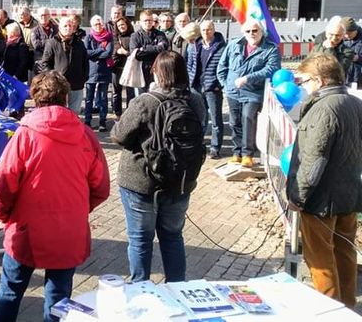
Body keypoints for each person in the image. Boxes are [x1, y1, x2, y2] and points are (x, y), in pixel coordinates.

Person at [0, 70, 110, 322]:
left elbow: (3, 182)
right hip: (68, 230)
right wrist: (78, 209)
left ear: (35, 98)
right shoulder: (85, 135)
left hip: (26, 229)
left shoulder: (24, 135)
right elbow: (100, 187)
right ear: (66, 98)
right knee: (58, 300)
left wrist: (4, 214)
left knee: (9, 293)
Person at [111, 51, 206, 283]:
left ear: (157, 72)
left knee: (140, 240)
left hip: (141, 182)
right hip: (180, 180)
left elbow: (120, 136)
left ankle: (140, 289)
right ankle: (177, 288)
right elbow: (201, 129)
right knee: (173, 237)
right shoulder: (195, 99)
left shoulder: (146, 101)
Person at [286, 53, 362, 310]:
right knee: (344, 253)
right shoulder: (354, 103)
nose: (303, 86)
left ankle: (331, 311)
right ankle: (348, 307)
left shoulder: (323, 109)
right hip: (348, 194)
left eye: (305, 81)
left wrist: (298, 197)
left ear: (319, 81)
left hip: (321, 201)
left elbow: (314, 160)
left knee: (320, 260)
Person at [217, 19, 281, 167]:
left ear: (261, 32)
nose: (252, 34)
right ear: (243, 32)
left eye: (255, 30)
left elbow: (271, 69)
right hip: (233, 91)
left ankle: (247, 154)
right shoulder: (234, 44)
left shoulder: (270, 49)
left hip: (253, 92)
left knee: (248, 119)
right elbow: (222, 65)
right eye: (248, 31)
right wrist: (225, 84)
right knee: (235, 122)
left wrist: (248, 78)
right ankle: (237, 152)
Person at [188, 20, 227, 159]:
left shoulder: (221, 47)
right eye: (204, 30)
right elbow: (190, 65)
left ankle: (215, 148)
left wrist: (218, 84)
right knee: (200, 118)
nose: (206, 32)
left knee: (216, 119)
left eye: (209, 29)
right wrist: (190, 81)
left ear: (214, 30)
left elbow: (224, 67)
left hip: (212, 88)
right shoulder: (194, 45)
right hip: (197, 87)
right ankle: (198, 143)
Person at [38, 17, 88, 113]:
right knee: (59, 112)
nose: (68, 28)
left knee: (75, 113)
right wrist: (52, 79)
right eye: (65, 26)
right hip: (58, 85)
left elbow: (85, 62)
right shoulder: (52, 43)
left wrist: (84, 78)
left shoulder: (79, 43)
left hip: (76, 84)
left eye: (70, 26)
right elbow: (45, 63)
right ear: (60, 28)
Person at [83, 15, 114, 131]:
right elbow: (86, 53)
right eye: (96, 24)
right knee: (89, 98)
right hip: (91, 72)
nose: (98, 26)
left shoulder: (109, 37)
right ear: (92, 25)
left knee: (103, 98)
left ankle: (102, 121)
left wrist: (95, 53)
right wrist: (101, 50)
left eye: (100, 23)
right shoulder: (88, 37)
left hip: (104, 71)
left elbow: (108, 53)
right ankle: (87, 120)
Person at [130, 10, 170, 93]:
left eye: (150, 20)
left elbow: (163, 48)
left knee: (157, 93)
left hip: (157, 68)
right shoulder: (135, 36)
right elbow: (136, 54)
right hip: (141, 70)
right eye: (145, 20)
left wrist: (143, 48)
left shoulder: (160, 34)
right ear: (141, 22)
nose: (148, 23)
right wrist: (155, 48)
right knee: (142, 96)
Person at [310, 17, 355, 85]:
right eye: (331, 34)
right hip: (316, 83)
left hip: (334, 85)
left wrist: (330, 49)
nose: (334, 38)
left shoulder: (347, 52)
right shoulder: (317, 48)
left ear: (343, 35)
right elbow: (309, 64)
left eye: (338, 35)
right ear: (326, 34)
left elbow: (335, 69)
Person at [112, 16, 135, 120]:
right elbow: (111, 52)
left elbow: (135, 52)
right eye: (119, 25)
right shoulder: (114, 37)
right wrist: (117, 51)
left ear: (127, 25)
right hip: (117, 68)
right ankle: (118, 115)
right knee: (116, 93)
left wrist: (125, 52)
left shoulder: (133, 36)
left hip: (130, 68)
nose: (121, 27)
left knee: (130, 93)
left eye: (123, 24)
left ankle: (129, 115)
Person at [342, 17, 362, 86]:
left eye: (349, 33)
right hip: (343, 77)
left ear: (355, 30)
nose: (347, 36)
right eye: (345, 34)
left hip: (359, 79)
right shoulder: (341, 38)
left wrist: (358, 58)